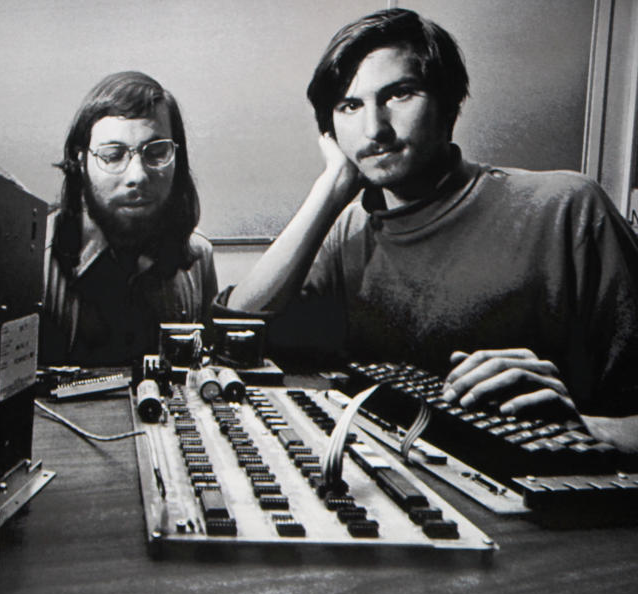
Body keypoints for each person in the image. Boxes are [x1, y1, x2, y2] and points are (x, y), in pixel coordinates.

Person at [221, 8, 638, 451]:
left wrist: (583, 428)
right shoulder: (348, 230)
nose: (374, 129)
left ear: (448, 103)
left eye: (400, 95)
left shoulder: (567, 210)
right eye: (350, 106)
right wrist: (332, 187)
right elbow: (239, 332)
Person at [41, 70, 218, 366]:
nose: (137, 176)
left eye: (157, 152)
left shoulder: (198, 258)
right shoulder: (33, 263)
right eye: (113, 155)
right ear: (80, 161)